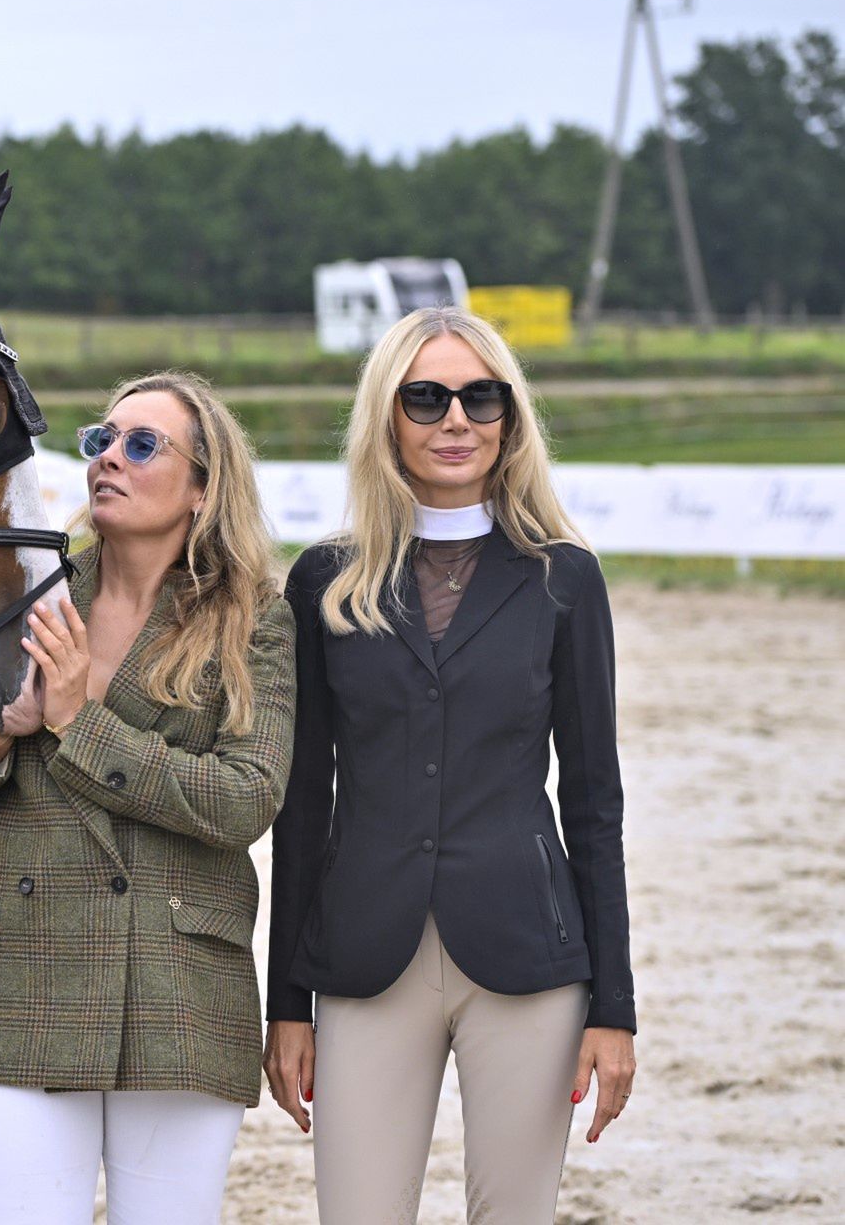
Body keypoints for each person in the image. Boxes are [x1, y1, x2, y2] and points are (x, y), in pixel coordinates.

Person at [264, 307, 637, 1223]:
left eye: (481, 397)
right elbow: (303, 804)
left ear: (510, 417)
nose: (455, 420)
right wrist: (288, 1003)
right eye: (425, 398)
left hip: (529, 960)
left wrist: (615, 1009)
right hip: (363, 957)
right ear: (387, 417)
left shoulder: (564, 580)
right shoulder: (323, 581)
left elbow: (594, 802)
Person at [0, 370, 296, 1225]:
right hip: (18, 979)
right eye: (101, 440)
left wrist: (79, 722)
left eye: (142, 444)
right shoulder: (13, 595)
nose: (108, 458)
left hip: (181, 985)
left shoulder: (256, 618)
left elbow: (245, 800)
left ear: (203, 486)